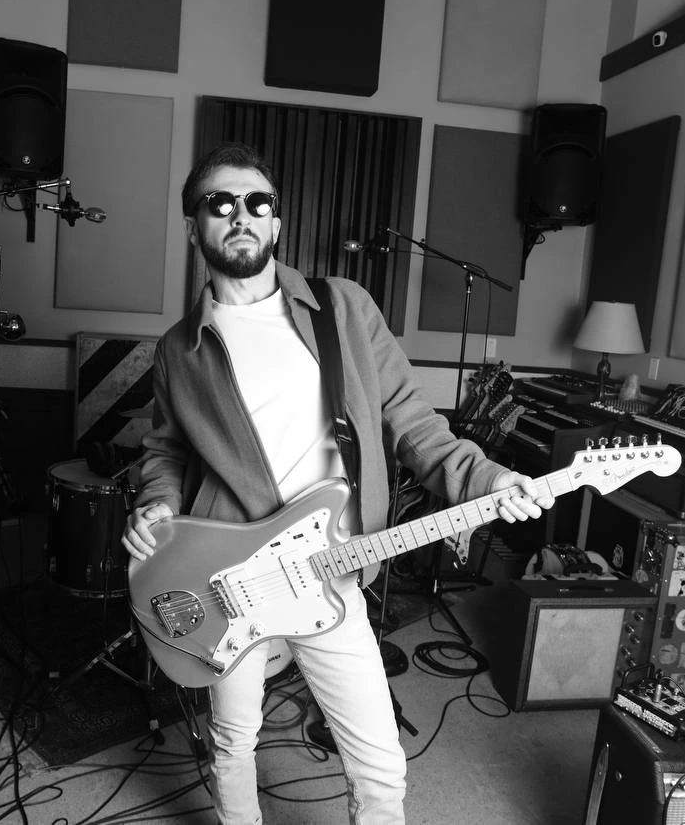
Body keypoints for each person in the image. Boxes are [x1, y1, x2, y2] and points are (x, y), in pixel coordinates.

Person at [121, 141, 555, 825]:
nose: (241, 214)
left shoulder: (343, 307)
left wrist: (488, 477)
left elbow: (414, 422)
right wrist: (158, 504)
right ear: (193, 226)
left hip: (331, 569)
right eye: (220, 203)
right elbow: (167, 449)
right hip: (228, 575)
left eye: (258, 202)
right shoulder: (180, 348)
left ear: (277, 222)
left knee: (381, 764)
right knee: (233, 741)